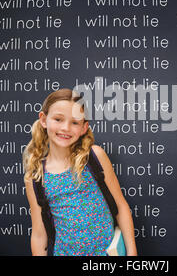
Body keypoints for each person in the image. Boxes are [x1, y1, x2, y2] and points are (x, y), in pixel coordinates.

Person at [23, 88, 137, 256]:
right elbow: (39, 234)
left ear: (84, 128)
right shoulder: (36, 176)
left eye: (75, 122)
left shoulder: (94, 157)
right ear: (44, 120)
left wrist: (132, 254)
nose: (66, 128)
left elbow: (120, 206)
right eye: (58, 119)